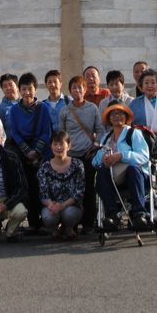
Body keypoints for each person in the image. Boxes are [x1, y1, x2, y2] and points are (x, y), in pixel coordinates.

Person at [93, 104, 150, 230]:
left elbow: (144, 156)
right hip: (115, 178)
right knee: (101, 172)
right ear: (109, 118)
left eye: (120, 113)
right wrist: (102, 158)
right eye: (113, 114)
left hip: (135, 176)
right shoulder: (106, 137)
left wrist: (121, 156)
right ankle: (112, 214)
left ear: (126, 117)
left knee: (132, 169)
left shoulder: (133, 133)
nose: (116, 116)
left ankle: (139, 213)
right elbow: (95, 160)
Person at [7, 72, 52, 232]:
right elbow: (14, 133)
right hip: (22, 154)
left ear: (35, 89)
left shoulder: (43, 108)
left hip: (42, 154)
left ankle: (46, 220)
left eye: (30, 89)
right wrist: (27, 152)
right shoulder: (13, 110)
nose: (27, 92)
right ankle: (33, 222)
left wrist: (36, 152)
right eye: (24, 89)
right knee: (27, 187)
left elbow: (46, 132)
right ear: (19, 90)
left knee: (42, 186)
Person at [58, 75, 102, 232]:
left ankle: (89, 222)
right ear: (69, 90)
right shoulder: (64, 110)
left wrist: (95, 146)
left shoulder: (93, 108)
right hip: (71, 156)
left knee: (89, 189)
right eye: (74, 87)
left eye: (80, 87)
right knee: (72, 190)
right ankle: (72, 223)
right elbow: (61, 134)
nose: (77, 90)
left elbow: (100, 130)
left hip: (88, 154)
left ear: (85, 90)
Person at [37, 130, 85, 239]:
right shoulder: (44, 167)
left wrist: (62, 206)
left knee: (69, 214)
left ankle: (68, 228)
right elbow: (43, 193)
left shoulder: (78, 165)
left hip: (71, 205)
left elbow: (79, 192)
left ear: (68, 146)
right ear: (51, 146)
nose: (58, 147)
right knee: (49, 217)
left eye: (61, 144)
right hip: (52, 205)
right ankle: (54, 230)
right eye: (55, 144)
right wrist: (51, 205)